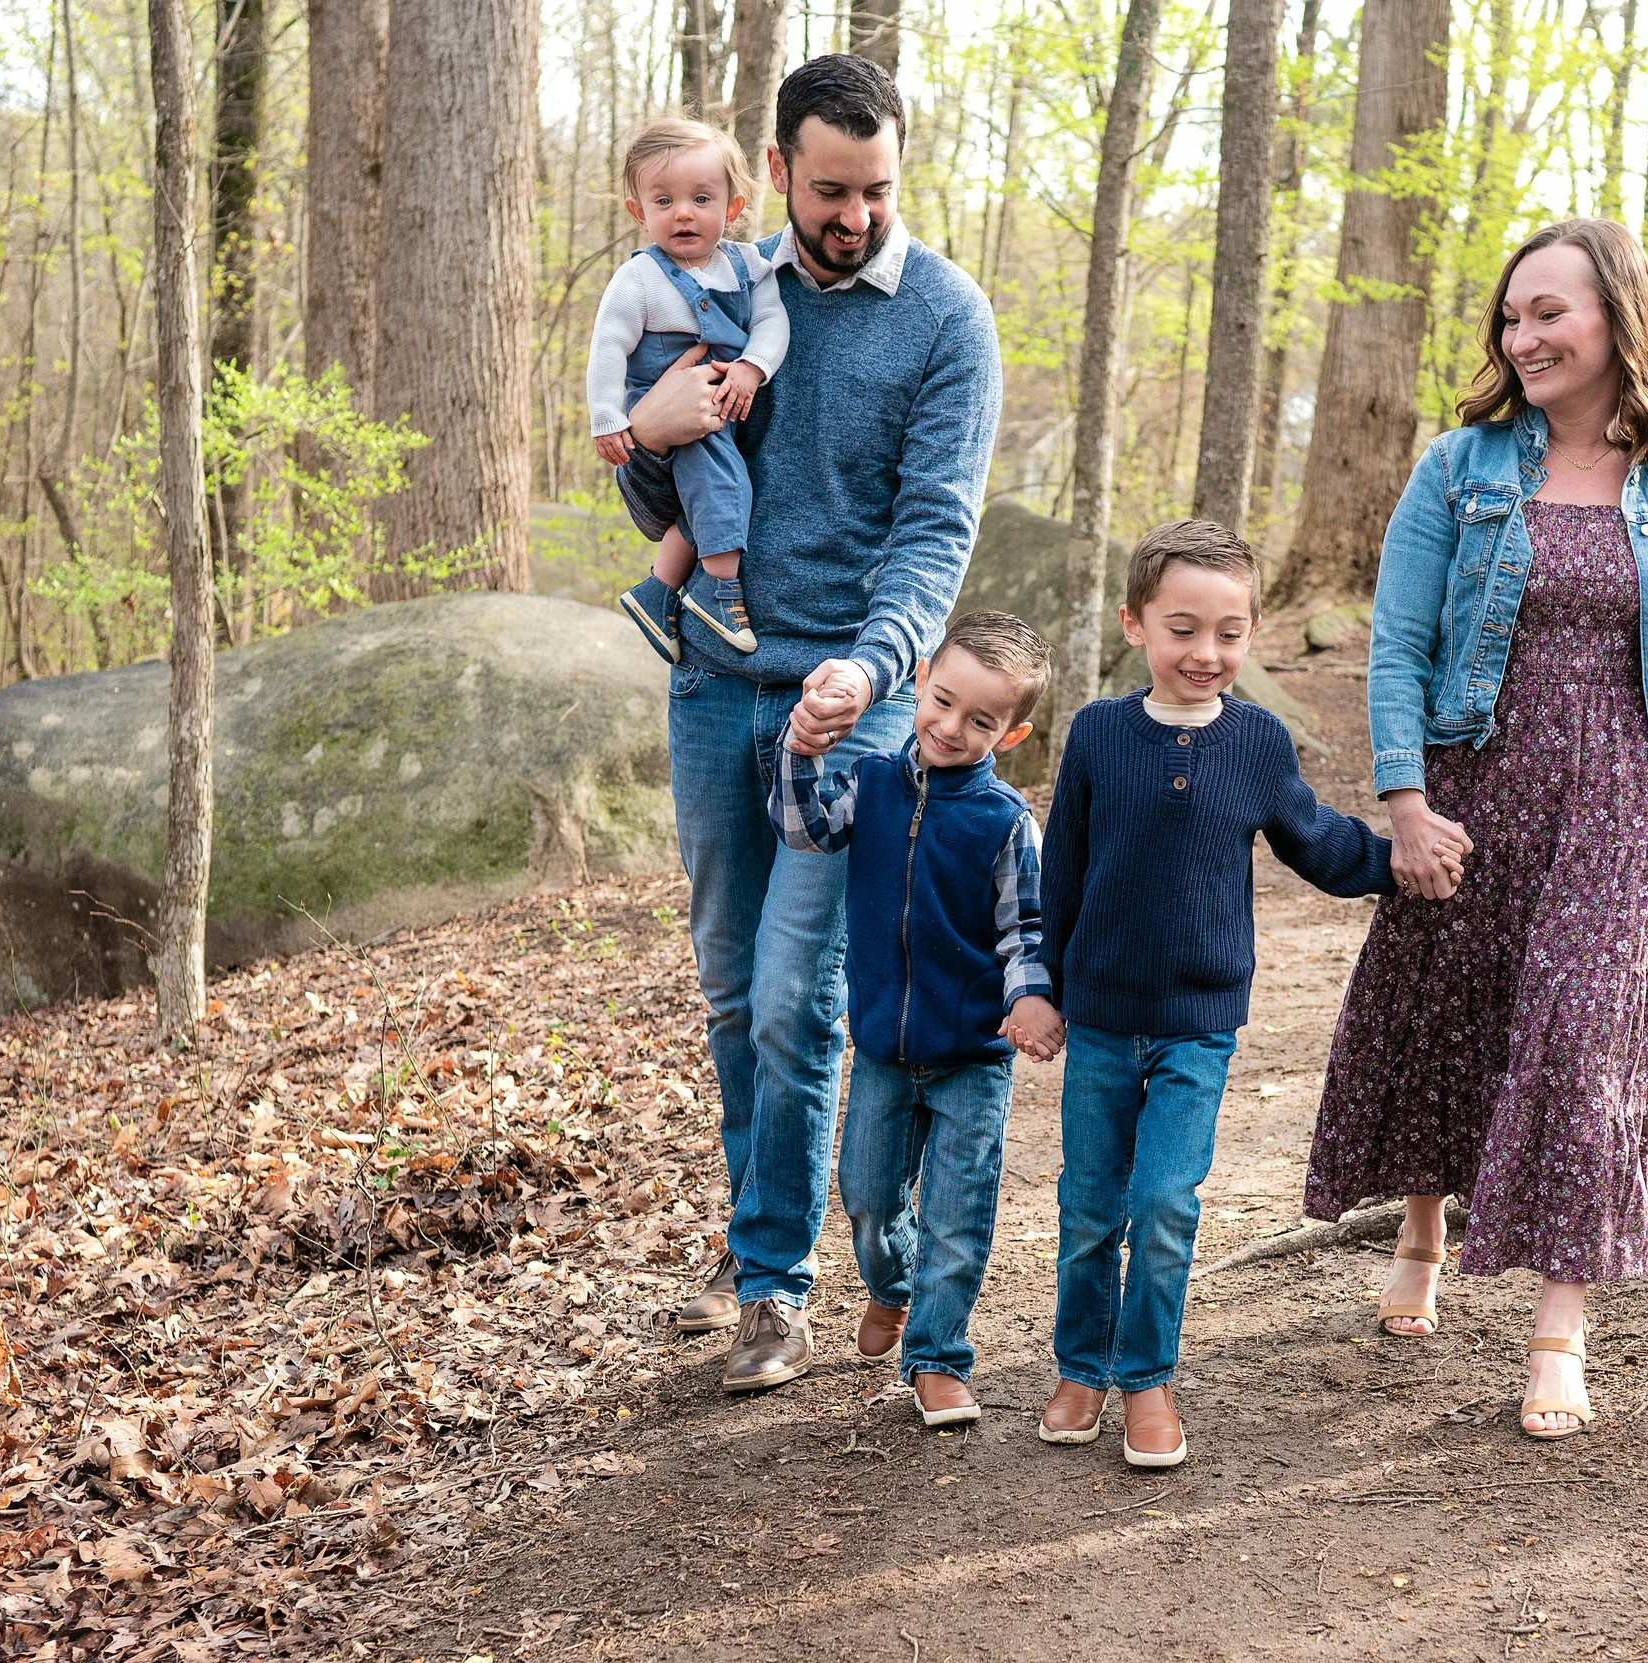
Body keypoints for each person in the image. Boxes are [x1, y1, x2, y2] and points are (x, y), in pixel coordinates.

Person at [1300, 218, 1648, 1440]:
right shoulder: (1459, 466)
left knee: (1579, 1040)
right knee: (1449, 1010)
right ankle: (1422, 1226)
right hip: (1481, 787)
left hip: (1631, 803)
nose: (1524, 338)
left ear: (1618, 318)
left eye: (1549, 314)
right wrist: (1404, 802)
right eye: (1511, 319)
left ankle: (1557, 1331)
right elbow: (1400, 643)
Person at [620, 54, 1005, 1395]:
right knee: (732, 991)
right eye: (831, 190)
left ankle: (776, 1284)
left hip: (857, 703)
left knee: (800, 1000)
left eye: (879, 190)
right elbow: (667, 507)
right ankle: (762, 1243)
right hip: (714, 685)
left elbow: (934, 527)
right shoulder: (716, 287)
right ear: (776, 174)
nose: (855, 217)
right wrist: (652, 433)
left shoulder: (948, 318)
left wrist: (872, 663)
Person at [1034, 521, 1397, 1468]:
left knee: (1162, 1202)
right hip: (1104, 1019)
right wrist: (1041, 985)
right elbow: (1061, 875)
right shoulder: (1098, 735)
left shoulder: (1257, 742)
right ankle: (1082, 1364)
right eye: (1183, 629)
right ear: (1134, 624)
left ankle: (1147, 1376)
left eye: (1228, 634)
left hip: (1198, 1023)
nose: (1206, 653)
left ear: (1252, 631)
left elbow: (1317, 843)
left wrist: (1406, 863)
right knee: (1088, 1205)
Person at [770, 610, 1065, 1427]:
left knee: (958, 1213)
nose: (952, 727)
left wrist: (1027, 999)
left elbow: (1025, 931)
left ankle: (938, 1356)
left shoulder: (1005, 822)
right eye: (942, 702)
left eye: (982, 720)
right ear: (924, 677)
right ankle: (893, 1288)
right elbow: (804, 830)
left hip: (973, 1055)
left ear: (1012, 734)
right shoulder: (873, 781)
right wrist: (802, 751)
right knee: (865, 1196)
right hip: (885, 1054)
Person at [589, 117, 790, 661]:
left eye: (701, 198)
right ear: (640, 212)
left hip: (724, 396)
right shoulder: (641, 278)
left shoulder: (748, 265)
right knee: (724, 488)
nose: (682, 212)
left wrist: (753, 366)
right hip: (669, 395)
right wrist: (609, 418)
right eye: (664, 201)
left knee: (706, 498)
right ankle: (721, 591)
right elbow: (608, 344)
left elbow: (773, 322)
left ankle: (657, 592)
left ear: (732, 207)